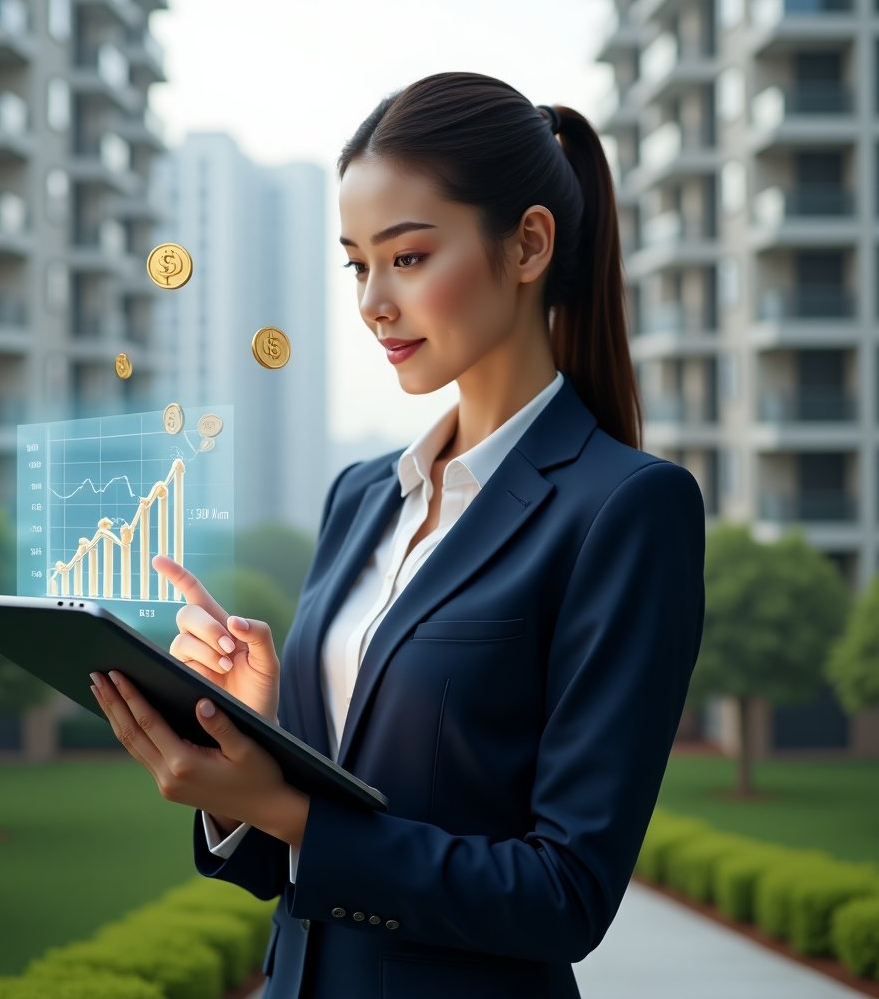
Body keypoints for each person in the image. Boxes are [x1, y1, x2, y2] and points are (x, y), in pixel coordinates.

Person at [89, 71, 706, 998]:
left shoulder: (627, 509)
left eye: (408, 257)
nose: (374, 301)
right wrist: (254, 747)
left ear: (529, 243)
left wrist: (291, 812)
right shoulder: (362, 495)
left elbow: (566, 895)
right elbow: (295, 864)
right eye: (356, 264)